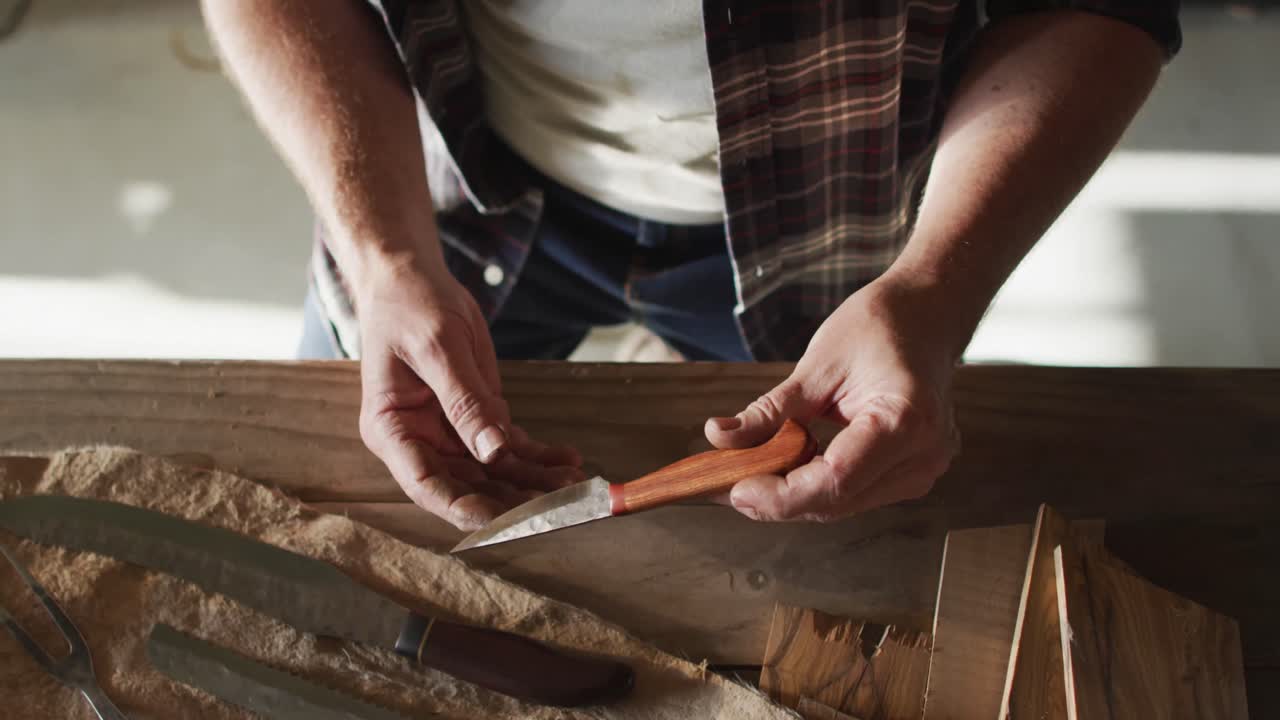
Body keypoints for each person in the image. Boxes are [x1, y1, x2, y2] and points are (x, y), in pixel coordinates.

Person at [204, 1, 1180, 531]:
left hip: (824, 227)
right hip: (447, 198)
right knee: (342, 492)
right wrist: (383, 256)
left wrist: (930, 293)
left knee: (846, 509)